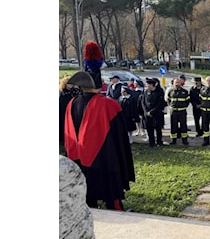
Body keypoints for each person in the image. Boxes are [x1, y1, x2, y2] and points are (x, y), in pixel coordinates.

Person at [64, 41, 135, 211]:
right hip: (105, 159)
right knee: (111, 196)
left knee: (88, 197)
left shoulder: (71, 103)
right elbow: (120, 138)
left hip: (78, 159)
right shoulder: (108, 105)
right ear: (98, 84)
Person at [141, 78, 166, 147]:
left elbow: (160, 104)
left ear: (152, 85)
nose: (147, 86)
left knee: (158, 128)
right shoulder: (146, 92)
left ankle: (159, 142)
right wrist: (146, 112)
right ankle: (151, 142)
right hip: (147, 114)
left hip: (156, 114)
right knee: (149, 129)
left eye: (148, 84)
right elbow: (143, 102)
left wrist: (152, 112)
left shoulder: (159, 91)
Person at [167, 78, 190, 145]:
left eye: (178, 82)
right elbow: (168, 100)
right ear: (173, 83)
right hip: (173, 112)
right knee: (173, 126)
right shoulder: (171, 91)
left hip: (182, 111)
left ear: (181, 83)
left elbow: (187, 101)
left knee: (183, 126)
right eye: (175, 82)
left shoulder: (185, 92)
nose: (177, 84)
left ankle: (184, 140)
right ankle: (173, 140)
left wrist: (183, 106)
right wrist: (171, 106)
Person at [59, 76, 82, 143]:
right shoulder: (63, 92)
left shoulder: (76, 91)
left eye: (72, 84)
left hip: (75, 109)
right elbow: (61, 103)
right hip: (65, 110)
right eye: (69, 84)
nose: (71, 85)